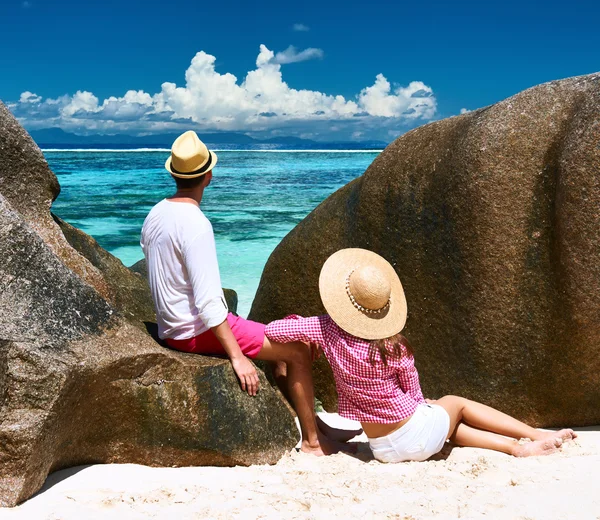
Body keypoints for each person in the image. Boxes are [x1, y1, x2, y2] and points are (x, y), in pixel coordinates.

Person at [140, 131, 357, 456]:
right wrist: (238, 358)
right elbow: (209, 302)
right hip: (194, 330)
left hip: (172, 326)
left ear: (173, 173)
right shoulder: (196, 224)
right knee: (297, 350)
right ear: (209, 176)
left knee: (284, 331)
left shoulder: (155, 213)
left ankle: (313, 423)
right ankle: (313, 442)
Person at [264, 248, 577, 463]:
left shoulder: (325, 329)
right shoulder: (393, 345)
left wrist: (295, 323)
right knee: (455, 403)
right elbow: (414, 394)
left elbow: (274, 330)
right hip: (415, 439)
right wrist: (424, 404)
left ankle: (515, 448)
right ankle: (533, 434)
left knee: (444, 422)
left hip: (382, 450)